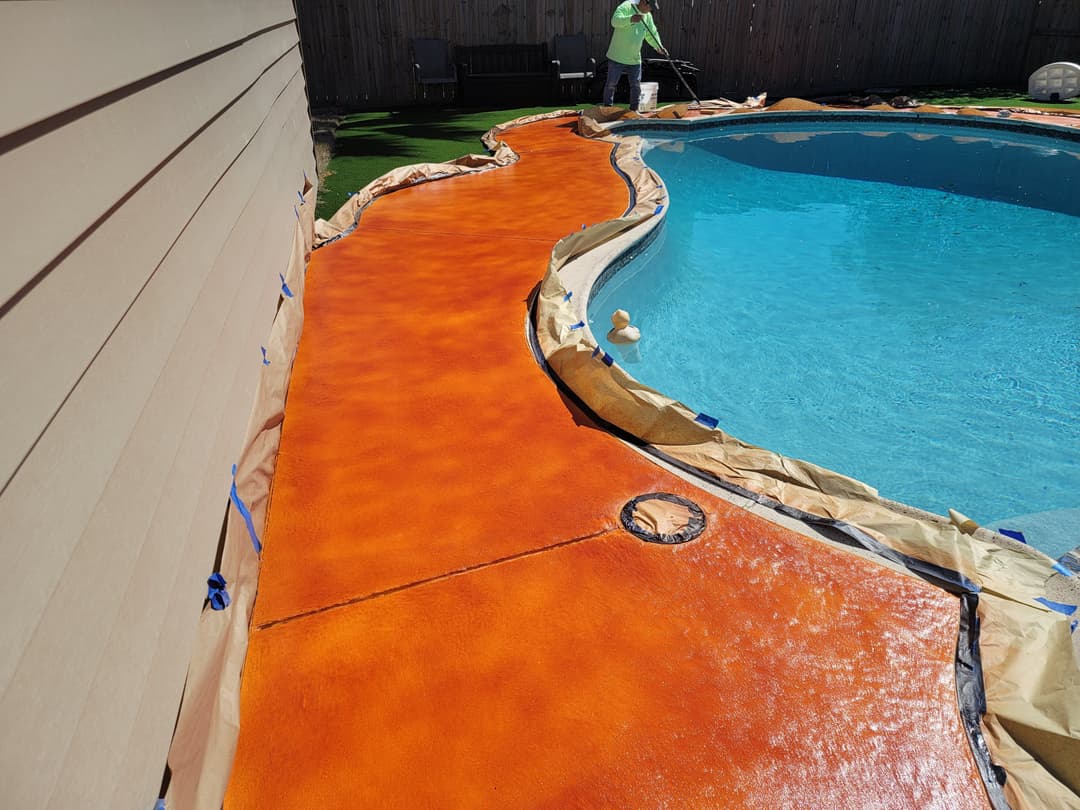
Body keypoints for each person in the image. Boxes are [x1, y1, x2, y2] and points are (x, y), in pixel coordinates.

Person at [603, 0, 668, 112]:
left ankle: (634, 110)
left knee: (636, 86)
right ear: (643, 2)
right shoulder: (626, 6)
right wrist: (630, 19)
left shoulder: (647, 16)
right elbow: (615, 21)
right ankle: (607, 109)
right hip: (617, 56)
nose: (650, 10)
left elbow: (651, 33)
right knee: (611, 84)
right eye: (650, 7)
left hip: (634, 58)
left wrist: (658, 46)